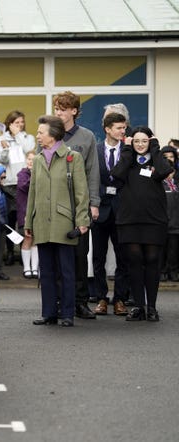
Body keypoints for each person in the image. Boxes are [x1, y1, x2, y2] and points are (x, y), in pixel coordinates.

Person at [25, 115, 90, 327]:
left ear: (53, 135)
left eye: (41, 132)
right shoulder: (37, 159)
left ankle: (68, 313)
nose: (38, 136)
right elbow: (32, 194)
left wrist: (82, 220)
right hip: (42, 221)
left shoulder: (73, 158)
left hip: (64, 221)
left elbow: (82, 192)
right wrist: (28, 223)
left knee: (67, 271)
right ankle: (49, 313)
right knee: (47, 271)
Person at [110, 127, 173, 321]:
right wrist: (127, 150)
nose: (140, 144)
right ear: (131, 142)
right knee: (134, 262)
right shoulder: (127, 158)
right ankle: (138, 306)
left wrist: (155, 148)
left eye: (144, 141)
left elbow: (165, 170)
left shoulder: (157, 159)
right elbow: (117, 174)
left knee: (153, 261)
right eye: (136, 141)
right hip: (129, 220)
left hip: (154, 220)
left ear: (150, 141)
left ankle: (151, 307)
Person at [53, 91, 100, 320]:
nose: (59, 112)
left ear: (74, 111)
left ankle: (81, 302)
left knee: (81, 256)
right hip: (55, 206)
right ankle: (60, 302)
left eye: (63, 108)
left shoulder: (87, 137)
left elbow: (93, 172)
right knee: (57, 256)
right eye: (57, 109)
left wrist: (94, 203)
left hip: (80, 205)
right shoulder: (49, 135)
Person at [92, 112, 130, 316]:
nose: (123, 131)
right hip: (100, 209)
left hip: (123, 210)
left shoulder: (128, 150)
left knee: (123, 257)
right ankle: (101, 298)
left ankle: (120, 299)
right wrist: (93, 203)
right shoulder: (95, 150)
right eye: (119, 128)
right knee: (98, 257)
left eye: (124, 128)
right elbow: (92, 180)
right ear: (107, 129)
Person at [0, 110, 35, 265]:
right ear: (9, 124)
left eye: (21, 122)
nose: (20, 125)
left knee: (24, 219)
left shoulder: (28, 137)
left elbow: (28, 150)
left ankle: (25, 249)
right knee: (10, 220)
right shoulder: (1, 139)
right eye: (16, 123)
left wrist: (18, 135)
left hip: (24, 182)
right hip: (9, 184)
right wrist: (5, 148)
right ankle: (11, 251)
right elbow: (1, 159)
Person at [16, 150, 38, 278]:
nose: (31, 162)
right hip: (25, 212)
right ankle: (26, 268)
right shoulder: (22, 174)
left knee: (36, 240)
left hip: (37, 212)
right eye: (29, 159)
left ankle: (35, 268)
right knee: (27, 238)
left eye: (34, 160)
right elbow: (26, 186)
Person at [161, 145, 179, 281]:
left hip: (175, 223)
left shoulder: (177, 182)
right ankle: (162, 271)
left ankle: (173, 270)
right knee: (161, 248)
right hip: (162, 222)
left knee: (173, 249)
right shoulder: (158, 183)